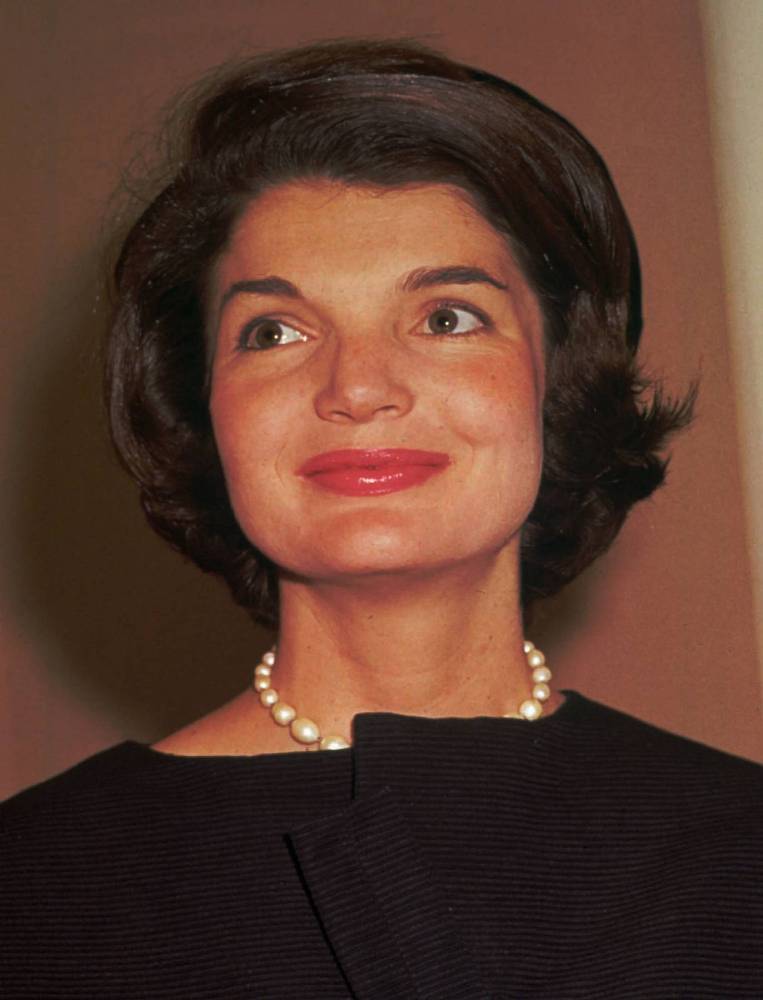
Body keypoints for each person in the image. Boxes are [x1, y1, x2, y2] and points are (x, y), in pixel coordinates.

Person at [2, 38, 761, 999]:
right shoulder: (32, 890)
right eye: (274, 332)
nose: (358, 389)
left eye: (446, 318)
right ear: (204, 409)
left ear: (558, 380)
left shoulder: (736, 851)